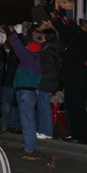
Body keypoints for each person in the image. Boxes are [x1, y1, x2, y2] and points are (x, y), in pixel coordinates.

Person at [52, 13, 87, 144]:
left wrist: (67, 20)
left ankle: (82, 136)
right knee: (70, 107)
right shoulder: (77, 39)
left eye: (84, 25)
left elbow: (77, 31)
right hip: (70, 78)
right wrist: (55, 18)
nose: (81, 26)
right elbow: (65, 32)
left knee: (77, 107)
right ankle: (74, 133)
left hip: (80, 79)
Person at [5, 26, 42, 158]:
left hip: (26, 93)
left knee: (27, 121)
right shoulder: (34, 60)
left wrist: (11, 35)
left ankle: (29, 148)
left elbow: (19, 48)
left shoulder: (30, 58)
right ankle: (30, 146)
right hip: (29, 93)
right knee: (28, 120)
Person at [36, 28, 63, 140]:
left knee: (44, 106)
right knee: (43, 106)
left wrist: (38, 67)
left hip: (46, 81)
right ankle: (44, 130)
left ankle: (46, 131)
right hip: (47, 81)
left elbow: (47, 66)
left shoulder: (49, 50)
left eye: (43, 36)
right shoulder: (51, 48)